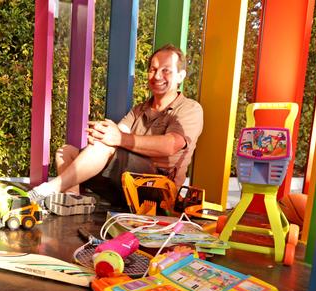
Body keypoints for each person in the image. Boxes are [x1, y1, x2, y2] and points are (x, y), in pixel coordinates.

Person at [29, 44, 203, 215]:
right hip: (125, 184)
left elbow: (170, 145)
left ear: (181, 76)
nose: (157, 76)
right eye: (153, 69)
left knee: (108, 144)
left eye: (166, 70)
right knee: (66, 151)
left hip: (157, 191)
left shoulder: (190, 108)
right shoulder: (139, 109)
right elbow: (118, 132)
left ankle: (47, 190)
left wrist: (116, 139)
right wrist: (101, 135)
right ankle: (73, 200)